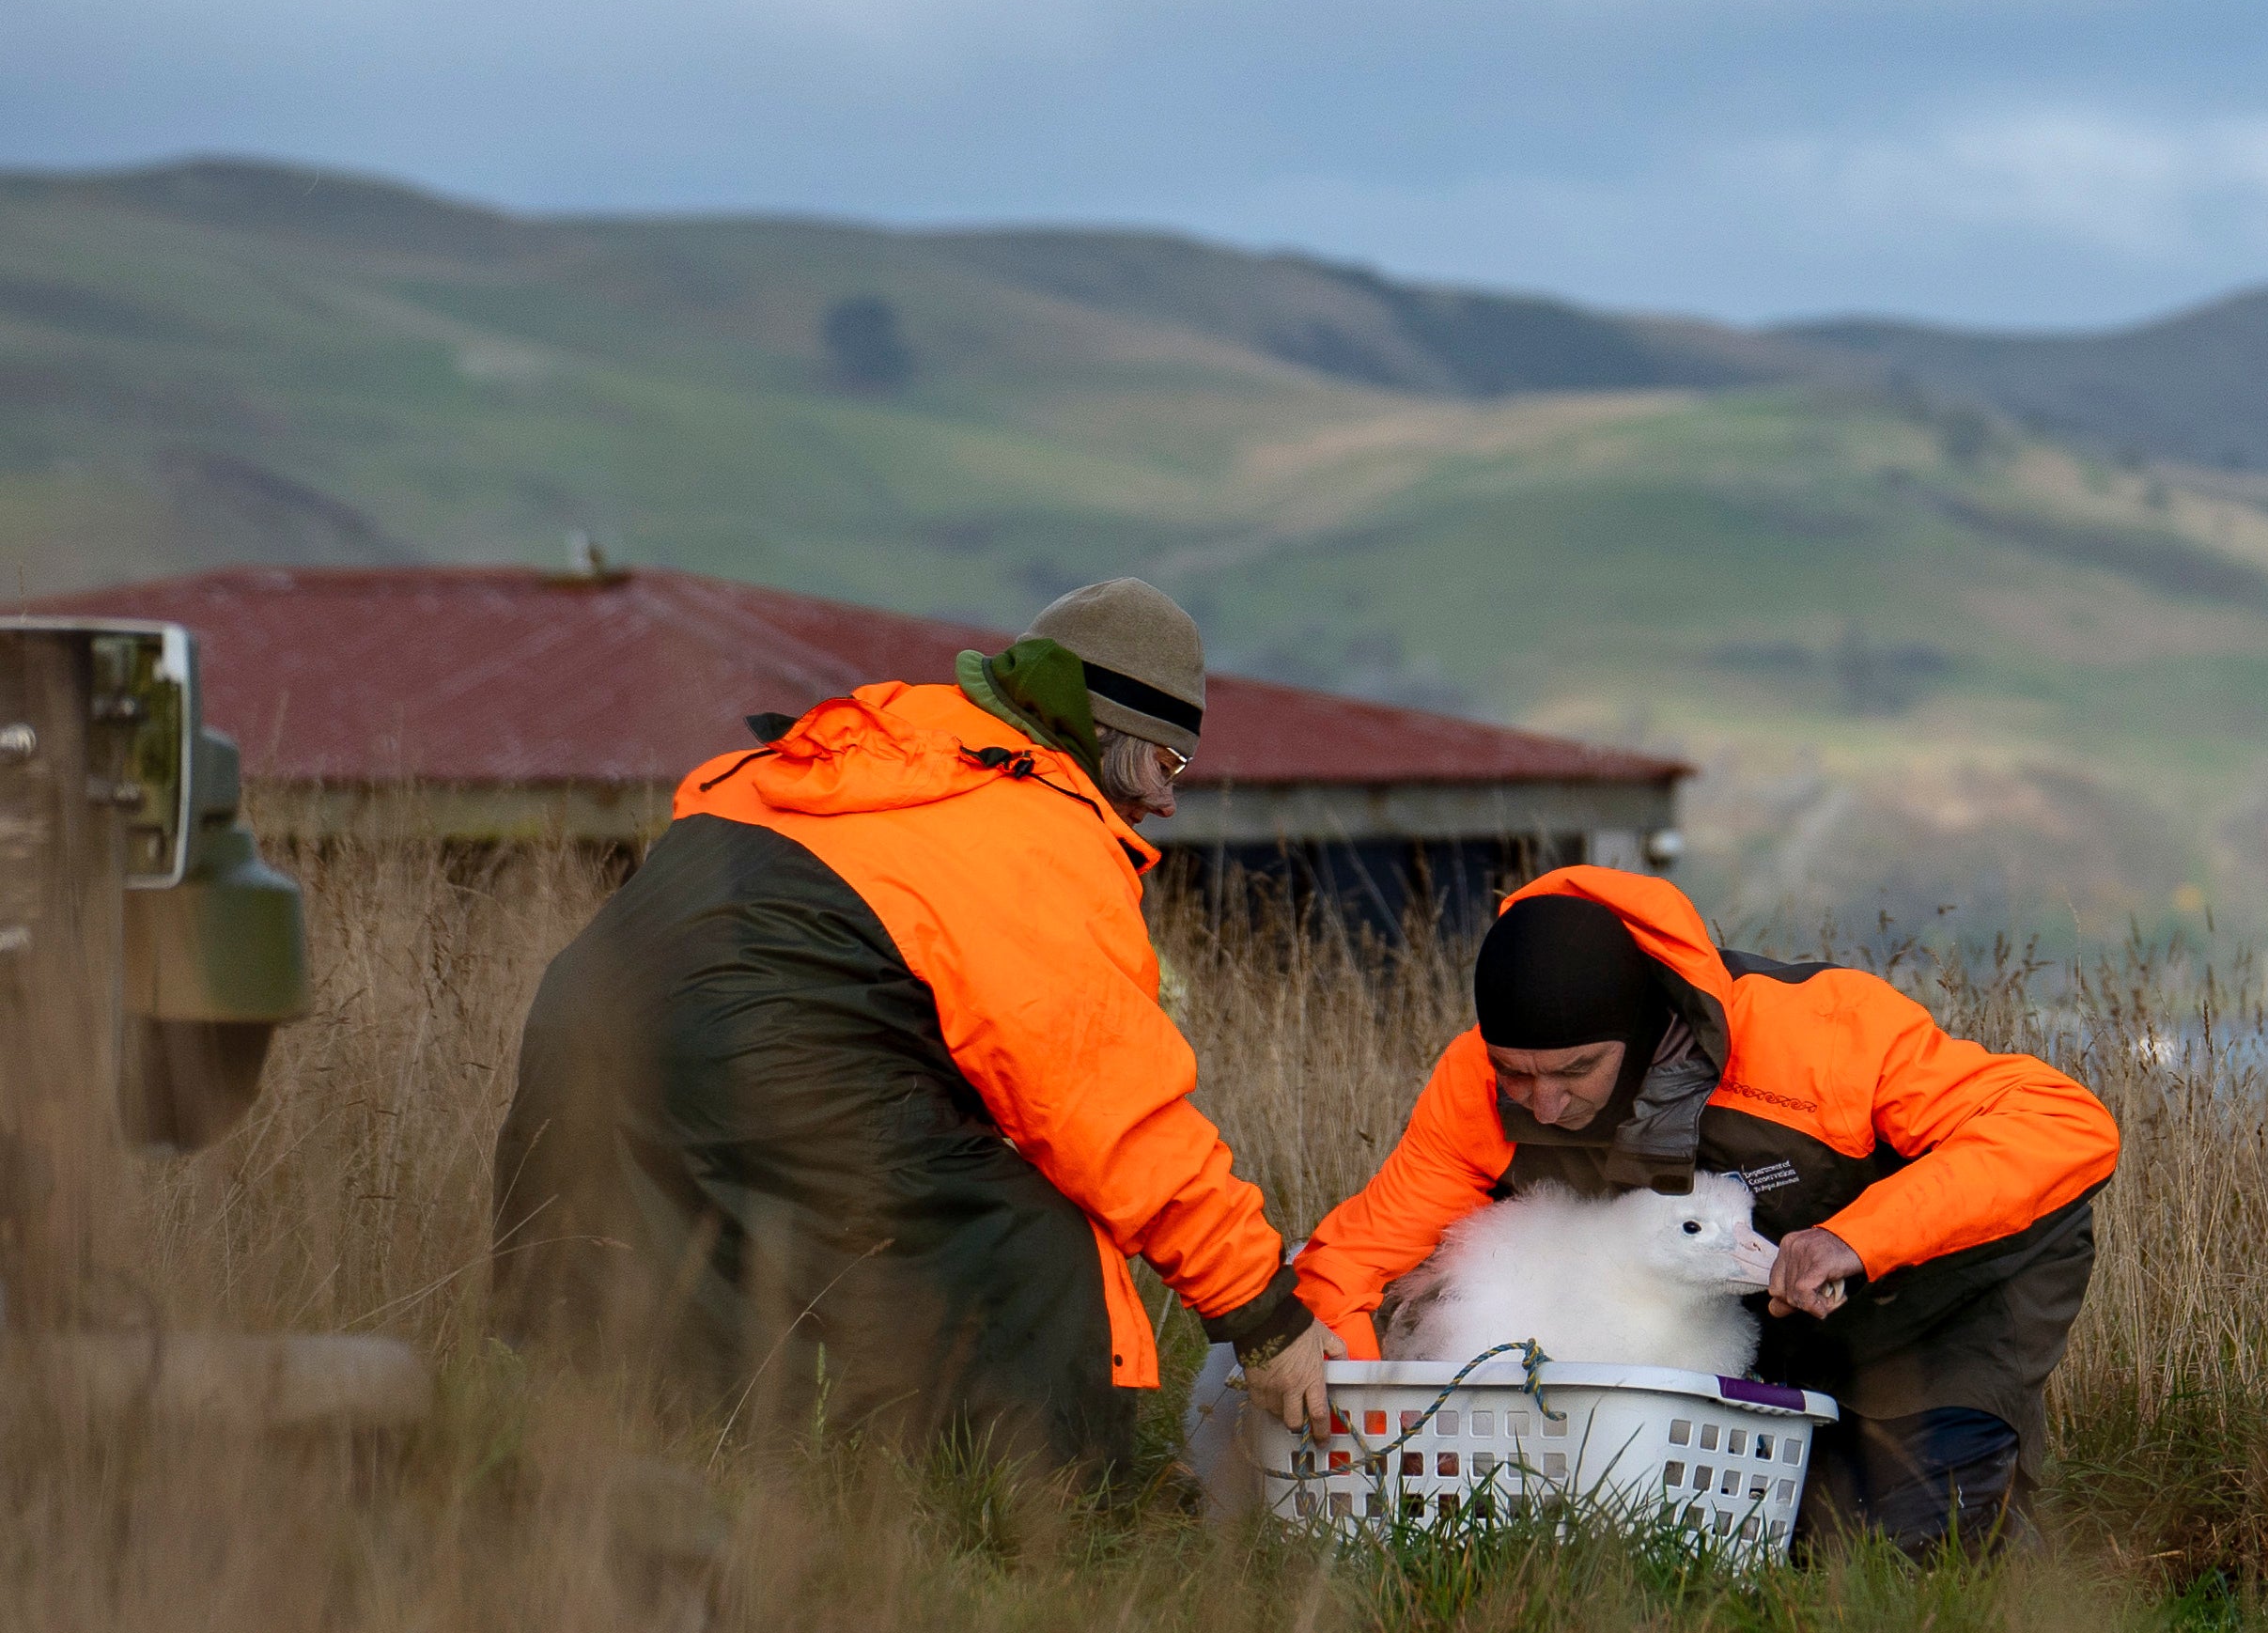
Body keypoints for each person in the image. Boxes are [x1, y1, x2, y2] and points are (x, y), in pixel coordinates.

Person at [492, 579, 1327, 1477]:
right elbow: (1115, 1119)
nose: (1167, 803)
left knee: (686, 1313)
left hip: (583, 1029)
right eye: (1170, 766)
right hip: (756, 1053)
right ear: (1114, 738)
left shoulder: (902, 748)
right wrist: (1265, 1316)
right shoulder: (1034, 831)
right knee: (1035, 1239)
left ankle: (667, 1474)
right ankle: (1055, 1504)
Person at [1292, 868, 2114, 1554]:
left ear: (1641, 1031)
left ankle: (2007, 1562)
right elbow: (1360, 1256)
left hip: (1940, 1307)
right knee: (1731, 1551)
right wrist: (1372, 1444)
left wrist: (1854, 1239)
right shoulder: (1473, 1084)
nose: (1541, 1104)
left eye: (1575, 1071)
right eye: (1516, 1074)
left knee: (1887, 1561)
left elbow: (2063, 1125)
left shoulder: (1821, 1031)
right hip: (1768, 1328)